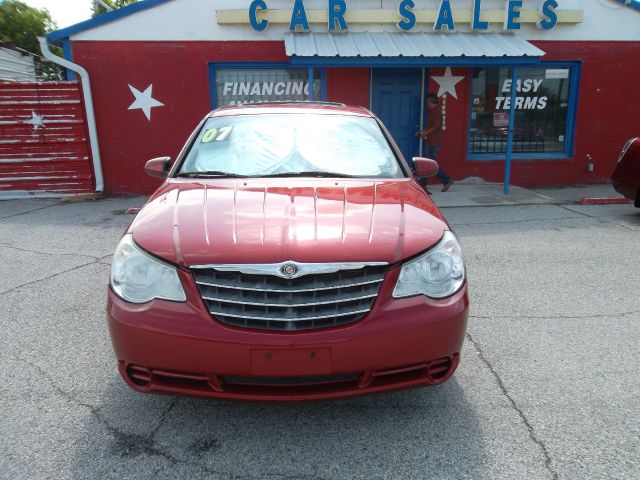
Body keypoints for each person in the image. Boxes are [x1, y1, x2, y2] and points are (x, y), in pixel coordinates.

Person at [416, 93, 454, 192]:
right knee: (427, 163)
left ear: (431, 101)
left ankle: (446, 180)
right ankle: (423, 184)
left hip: (433, 142)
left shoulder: (436, 111)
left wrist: (425, 133)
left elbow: (436, 126)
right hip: (431, 140)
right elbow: (432, 127)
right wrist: (425, 132)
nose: (426, 104)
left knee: (429, 164)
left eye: (427, 102)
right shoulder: (433, 111)